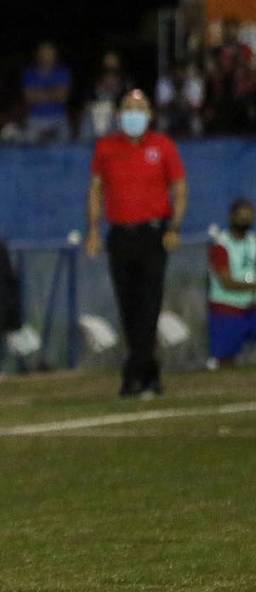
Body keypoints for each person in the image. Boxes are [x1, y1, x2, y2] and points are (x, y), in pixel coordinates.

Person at [86, 89, 188, 398]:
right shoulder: (106, 148)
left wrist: (174, 227)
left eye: (139, 108)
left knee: (149, 304)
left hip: (153, 234)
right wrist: (93, 230)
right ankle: (147, 371)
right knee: (128, 305)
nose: (133, 114)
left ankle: (135, 373)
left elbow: (180, 188)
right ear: (119, 115)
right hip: (120, 234)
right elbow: (96, 190)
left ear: (150, 114)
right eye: (128, 108)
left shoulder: (163, 146)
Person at [207, 199, 256, 367]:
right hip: (227, 310)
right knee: (224, 361)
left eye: (249, 216)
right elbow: (226, 282)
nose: (245, 220)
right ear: (231, 217)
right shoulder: (221, 245)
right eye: (241, 216)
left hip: (252, 309)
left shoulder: (253, 242)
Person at [22, 42, 72, 142]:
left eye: (50, 54)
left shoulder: (63, 72)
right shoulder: (29, 74)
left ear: (55, 56)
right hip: (36, 118)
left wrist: (39, 94)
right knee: (28, 142)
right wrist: (53, 93)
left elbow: (62, 97)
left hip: (58, 117)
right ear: (38, 55)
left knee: (66, 140)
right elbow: (29, 99)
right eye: (44, 54)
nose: (47, 57)